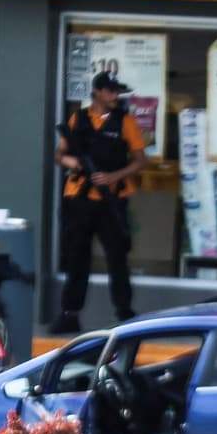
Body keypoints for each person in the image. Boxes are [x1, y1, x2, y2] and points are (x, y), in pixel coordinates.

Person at [49, 71, 150, 334]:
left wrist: (113, 176)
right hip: (78, 199)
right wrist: (73, 162)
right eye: (112, 91)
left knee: (118, 259)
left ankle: (124, 313)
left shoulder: (125, 122)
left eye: (118, 91)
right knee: (76, 258)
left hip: (112, 199)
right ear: (98, 92)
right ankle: (70, 314)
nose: (116, 96)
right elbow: (59, 155)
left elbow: (141, 161)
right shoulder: (78, 119)